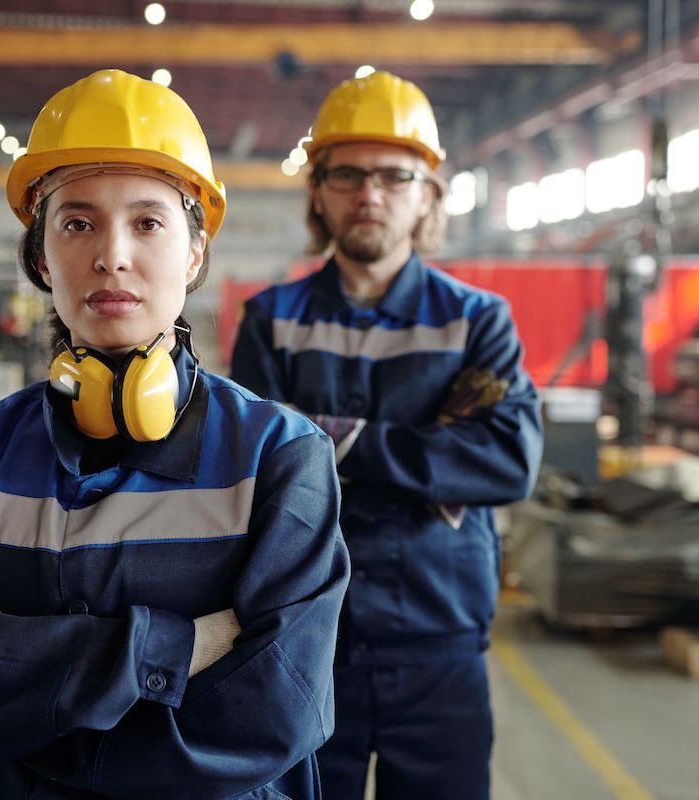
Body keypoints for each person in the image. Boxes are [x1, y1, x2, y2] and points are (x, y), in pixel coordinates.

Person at [0, 68, 350, 799]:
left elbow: (272, 712)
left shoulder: (278, 457)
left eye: (148, 222)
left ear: (194, 252)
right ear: (40, 257)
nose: (111, 254)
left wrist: (12, 670)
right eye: (77, 222)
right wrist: (173, 650)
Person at [230, 70, 543, 800]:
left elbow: (506, 460)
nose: (369, 194)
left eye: (394, 176)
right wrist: (430, 461)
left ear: (428, 193)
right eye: (347, 173)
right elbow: (252, 478)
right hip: (304, 638)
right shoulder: (271, 321)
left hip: (439, 637)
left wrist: (334, 443)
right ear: (318, 189)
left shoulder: (477, 322)